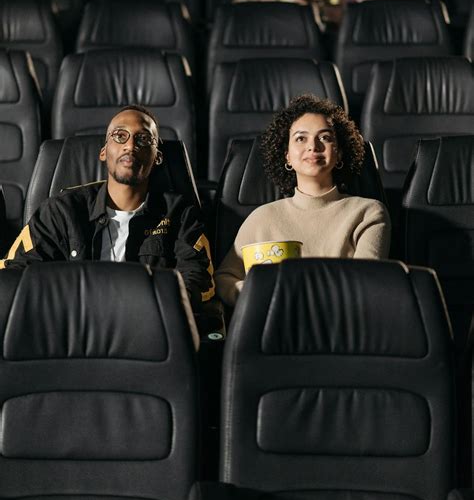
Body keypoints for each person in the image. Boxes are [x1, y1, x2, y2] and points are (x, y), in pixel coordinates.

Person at [1, 105, 220, 332]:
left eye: (144, 139)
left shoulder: (179, 213)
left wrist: (148, 308)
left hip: (147, 331)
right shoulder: (62, 210)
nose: (130, 145)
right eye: (120, 135)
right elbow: (14, 273)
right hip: (69, 331)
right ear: (104, 151)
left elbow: (199, 279)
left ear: (158, 157)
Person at [216, 94, 391, 306]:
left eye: (325, 137)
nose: (313, 146)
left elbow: (364, 286)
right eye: (301, 138)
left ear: (340, 153)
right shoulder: (261, 218)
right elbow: (224, 279)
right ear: (287, 155)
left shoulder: (368, 213)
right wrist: (259, 295)